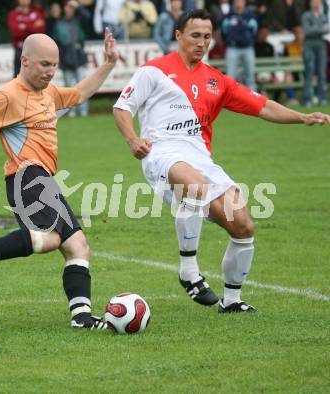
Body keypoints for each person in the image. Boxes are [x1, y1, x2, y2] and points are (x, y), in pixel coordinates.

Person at [113, 10, 330, 313]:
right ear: (178, 36)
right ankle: (189, 271)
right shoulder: (153, 71)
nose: (202, 42)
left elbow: (263, 106)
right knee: (195, 187)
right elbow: (122, 108)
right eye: (195, 36)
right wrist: (133, 139)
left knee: (243, 226)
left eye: (207, 36)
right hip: (161, 154)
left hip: (201, 160)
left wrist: (303, 117)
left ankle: (232, 301)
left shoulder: (217, 80)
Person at [0, 30, 119, 330]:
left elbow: (80, 93)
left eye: (54, 65)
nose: (51, 71)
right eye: (44, 65)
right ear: (24, 61)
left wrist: (107, 64)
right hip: (26, 178)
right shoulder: (7, 96)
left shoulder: (49, 93)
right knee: (52, 238)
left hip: (44, 181)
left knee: (78, 245)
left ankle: (81, 317)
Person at [53, 0, 90, 117]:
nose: (69, 10)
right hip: (65, 58)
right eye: (68, 7)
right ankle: (71, 112)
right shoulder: (58, 23)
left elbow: (87, 17)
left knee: (83, 86)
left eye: (72, 8)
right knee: (68, 87)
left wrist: (78, 7)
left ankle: (83, 112)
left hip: (79, 57)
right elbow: (56, 43)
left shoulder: (79, 20)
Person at [221, 0, 258, 91]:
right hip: (233, 48)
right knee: (230, 78)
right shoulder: (228, 16)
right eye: (237, 1)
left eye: (241, 1)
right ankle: (229, 102)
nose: (239, 2)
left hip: (248, 48)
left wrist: (248, 40)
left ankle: (253, 102)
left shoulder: (250, 16)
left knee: (250, 77)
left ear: (244, 2)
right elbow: (223, 32)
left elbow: (255, 31)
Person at [301, 0, 329, 107]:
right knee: (309, 71)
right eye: (314, 1)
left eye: (318, 1)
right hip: (309, 46)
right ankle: (307, 98)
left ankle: (322, 98)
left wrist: (314, 28)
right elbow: (307, 30)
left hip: (321, 46)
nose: (316, 3)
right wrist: (320, 29)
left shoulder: (323, 15)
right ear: (310, 3)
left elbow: (327, 30)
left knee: (322, 72)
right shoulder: (306, 15)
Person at [8, 0, 46, 78]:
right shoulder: (13, 14)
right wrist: (32, 26)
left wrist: (24, 26)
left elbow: (40, 30)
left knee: (37, 76)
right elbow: (15, 32)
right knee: (18, 77)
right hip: (20, 49)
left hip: (35, 49)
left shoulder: (37, 13)